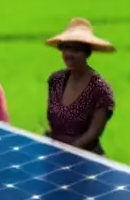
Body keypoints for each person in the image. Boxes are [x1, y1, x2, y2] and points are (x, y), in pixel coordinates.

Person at [44, 18, 116, 154]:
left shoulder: (100, 90)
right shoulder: (56, 80)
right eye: (66, 49)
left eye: (77, 50)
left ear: (87, 53)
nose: (69, 55)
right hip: (55, 152)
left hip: (84, 157)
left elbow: (93, 133)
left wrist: (68, 152)